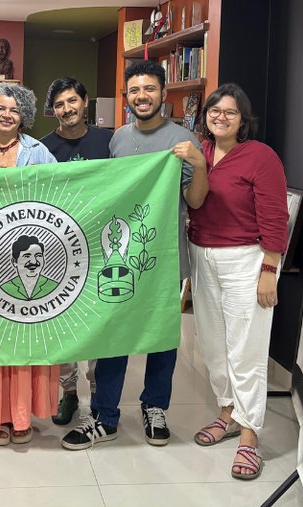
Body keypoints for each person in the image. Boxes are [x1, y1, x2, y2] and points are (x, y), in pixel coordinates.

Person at [61, 59, 209, 450]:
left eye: (150, 89)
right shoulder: (118, 140)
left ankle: (155, 406)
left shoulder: (183, 140)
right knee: (115, 334)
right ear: (126, 96)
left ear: (164, 93)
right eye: (135, 90)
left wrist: (199, 165)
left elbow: (195, 200)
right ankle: (104, 416)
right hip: (119, 258)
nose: (142, 96)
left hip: (165, 257)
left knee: (162, 336)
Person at [188, 83, 288, 480]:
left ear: (243, 119)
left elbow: (276, 216)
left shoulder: (260, 156)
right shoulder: (200, 152)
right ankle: (227, 413)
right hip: (202, 255)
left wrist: (269, 270)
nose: (221, 117)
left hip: (245, 259)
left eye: (230, 112)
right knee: (213, 345)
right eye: (215, 111)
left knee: (246, 349)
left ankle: (249, 436)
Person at [0, 83, 59, 446]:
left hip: (28, 256)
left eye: (15, 110)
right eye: (0, 108)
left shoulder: (40, 152)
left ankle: (20, 416)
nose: (7, 115)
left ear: (24, 116)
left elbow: (59, 196)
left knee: (25, 337)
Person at [40, 76, 114, 425]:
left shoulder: (109, 140)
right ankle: (67, 392)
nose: (67, 109)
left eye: (72, 101)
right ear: (52, 110)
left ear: (85, 102)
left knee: (98, 322)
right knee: (60, 323)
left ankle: (99, 393)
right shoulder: (42, 148)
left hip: (99, 248)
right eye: (59, 104)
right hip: (59, 250)